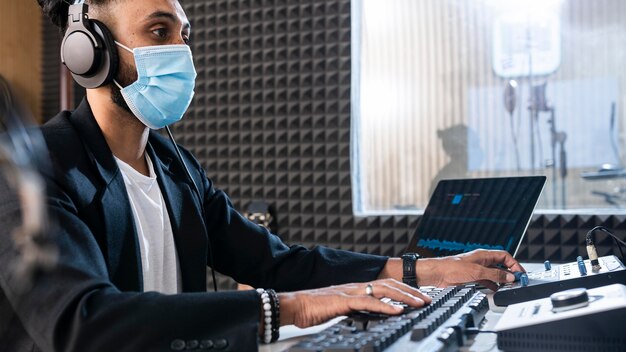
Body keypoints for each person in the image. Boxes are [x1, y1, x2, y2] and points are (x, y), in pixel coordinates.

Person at [0, 0, 524, 350]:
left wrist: (428, 271)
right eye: (158, 32)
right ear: (87, 51)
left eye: (184, 35)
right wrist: (289, 310)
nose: (180, 51)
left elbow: (278, 263)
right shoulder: (34, 171)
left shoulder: (176, 170)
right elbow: (83, 322)